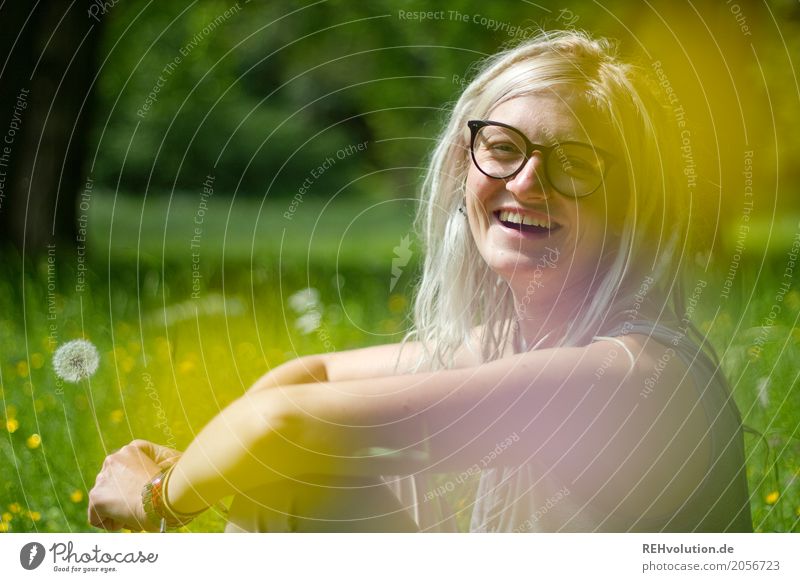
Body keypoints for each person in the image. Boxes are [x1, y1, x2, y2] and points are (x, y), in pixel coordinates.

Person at [88, 29, 753, 533]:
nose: (525, 182)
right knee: (289, 479)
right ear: (464, 164)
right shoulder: (515, 343)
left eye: (574, 162)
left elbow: (281, 424)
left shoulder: (625, 375)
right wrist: (209, 459)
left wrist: (158, 500)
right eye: (502, 147)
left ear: (632, 203)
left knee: (285, 466)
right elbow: (308, 373)